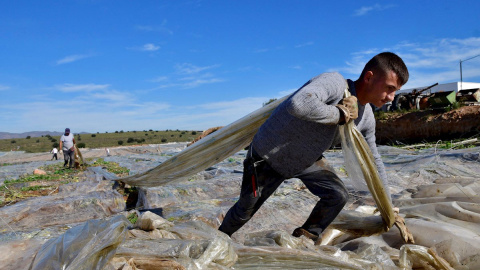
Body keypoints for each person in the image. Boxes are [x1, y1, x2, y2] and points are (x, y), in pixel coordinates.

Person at [218, 52, 409, 243]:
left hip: (306, 159)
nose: (391, 98)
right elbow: (298, 104)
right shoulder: (335, 83)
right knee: (244, 211)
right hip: (269, 155)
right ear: (369, 77)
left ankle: (304, 240)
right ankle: (218, 239)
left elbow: (373, 159)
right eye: (389, 89)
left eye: (395, 91)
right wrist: (339, 113)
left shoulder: (366, 117)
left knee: (337, 195)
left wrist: (388, 205)